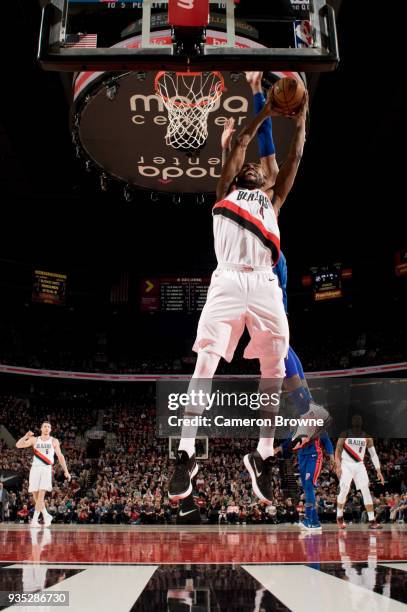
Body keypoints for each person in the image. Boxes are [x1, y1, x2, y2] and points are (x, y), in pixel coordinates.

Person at [168, 85, 308, 506]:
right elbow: (244, 142)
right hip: (227, 280)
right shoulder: (224, 190)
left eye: (257, 170)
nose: (250, 169)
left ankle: (263, 454)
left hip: (264, 282)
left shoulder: (275, 198)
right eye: (243, 166)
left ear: (265, 180)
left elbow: (296, 156)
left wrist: (301, 118)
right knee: (206, 361)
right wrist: (264, 106)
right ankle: (186, 454)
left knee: (275, 368)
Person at [276, 432, 335, 530]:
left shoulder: (318, 425)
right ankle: (315, 522)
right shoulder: (298, 426)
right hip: (301, 457)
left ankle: (308, 519)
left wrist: (331, 457)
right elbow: (290, 440)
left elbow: (327, 441)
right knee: (307, 489)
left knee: (308, 487)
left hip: (314, 456)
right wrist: (279, 448)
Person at [16, 422, 71, 527]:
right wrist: (26, 436)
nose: (46, 428)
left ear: (50, 429)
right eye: (45, 426)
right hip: (35, 469)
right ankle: (46, 515)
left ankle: (34, 520)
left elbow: (60, 456)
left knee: (41, 496)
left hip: (46, 468)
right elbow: (18, 445)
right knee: (36, 497)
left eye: (48, 427)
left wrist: (66, 471)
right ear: (41, 428)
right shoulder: (35, 440)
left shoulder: (54, 441)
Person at [335, 415, 384, 530]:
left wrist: (378, 471)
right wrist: (338, 466)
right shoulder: (345, 434)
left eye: (359, 419)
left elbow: (373, 454)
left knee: (366, 490)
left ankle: (372, 520)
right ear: (351, 422)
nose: (357, 420)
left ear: (362, 422)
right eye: (354, 419)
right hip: (346, 464)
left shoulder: (367, 437)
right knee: (344, 489)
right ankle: (339, 516)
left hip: (359, 464)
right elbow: (338, 450)